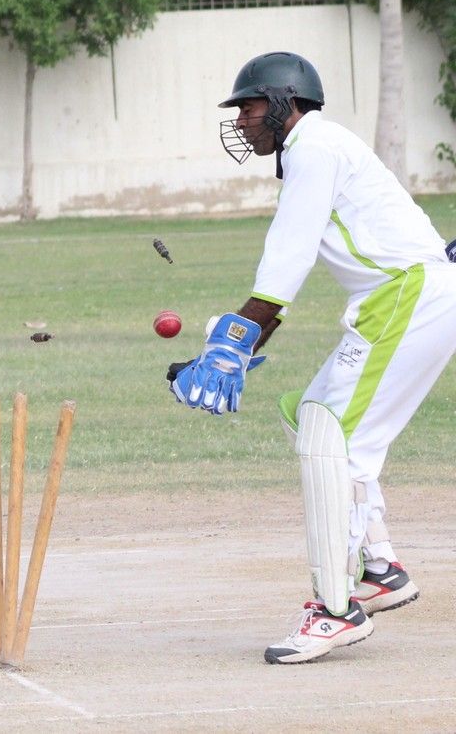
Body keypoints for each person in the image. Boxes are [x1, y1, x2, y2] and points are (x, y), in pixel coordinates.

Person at [166, 51, 456, 664]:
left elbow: (288, 258)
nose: (240, 121)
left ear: (283, 102)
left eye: (247, 107)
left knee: (332, 434)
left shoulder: (313, 147)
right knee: (310, 414)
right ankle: (379, 569)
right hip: (410, 297)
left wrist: (232, 344)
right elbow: (288, 274)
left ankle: (336, 609)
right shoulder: (321, 148)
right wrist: (235, 348)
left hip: (406, 297)